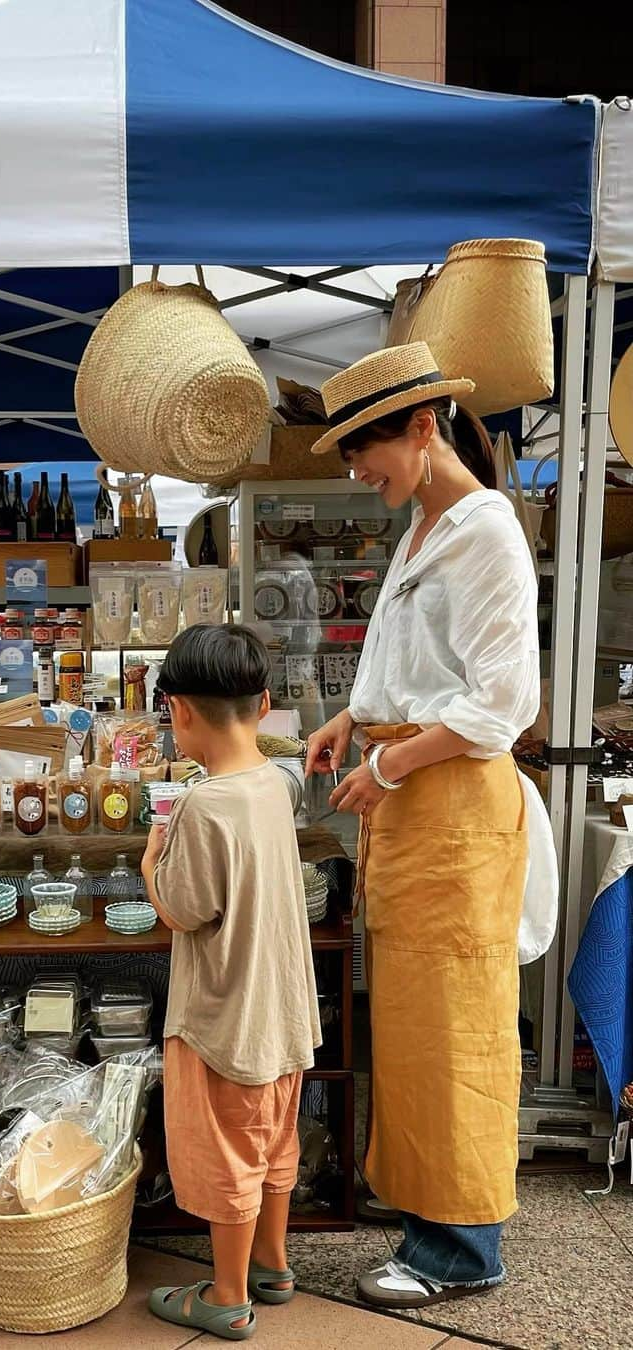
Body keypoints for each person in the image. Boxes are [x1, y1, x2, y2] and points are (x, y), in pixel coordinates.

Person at [305, 342, 544, 1310]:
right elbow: (407, 661)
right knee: (411, 1025)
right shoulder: (424, 525)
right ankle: (426, 1222)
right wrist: (353, 719)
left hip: (450, 796)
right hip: (414, 797)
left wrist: (390, 761)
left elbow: (500, 704)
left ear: (420, 426)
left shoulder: (483, 529)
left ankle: (463, 1248)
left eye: (365, 451)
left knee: (456, 1028)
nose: (358, 473)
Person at [142, 624, 321, 1342]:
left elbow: (184, 909)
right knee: (274, 1145)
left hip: (225, 1019)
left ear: (180, 711)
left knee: (227, 1157)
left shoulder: (200, 806)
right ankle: (272, 1266)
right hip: (283, 1011)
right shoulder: (276, 784)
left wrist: (151, 863)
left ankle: (226, 1293)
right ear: (264, 703)